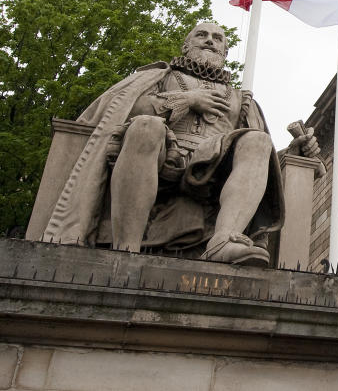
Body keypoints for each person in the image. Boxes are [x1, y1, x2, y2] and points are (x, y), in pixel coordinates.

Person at [42, 22, 319, 266]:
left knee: (259, 140)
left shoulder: (241, 99)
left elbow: (253, 160)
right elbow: (122, 115)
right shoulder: (158, 78)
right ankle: (126, 248)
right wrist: (186, 100)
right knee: (146, 126)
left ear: (224, 54)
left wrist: (290, 154)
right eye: (202, 35)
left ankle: (223, 241)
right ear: (187, 45)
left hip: (212, 168)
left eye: (218, 38)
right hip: (160, 154)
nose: (210, 40)